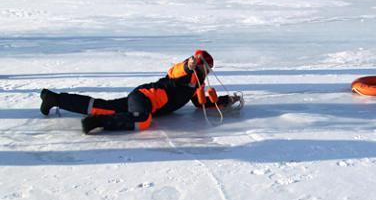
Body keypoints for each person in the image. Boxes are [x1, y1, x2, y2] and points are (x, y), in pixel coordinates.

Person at [40, 50, 241, 134]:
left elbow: (200, 104)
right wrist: (188, 64)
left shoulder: (197, 85)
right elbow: (175, 71)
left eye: (209, 69)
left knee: (101, 106)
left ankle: (54, 98)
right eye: (206, 68)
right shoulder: (183, 74)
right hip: (145, 96)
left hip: (142, 98)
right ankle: (100, 123)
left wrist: (223, 100)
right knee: (142, 120)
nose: (208, 72)